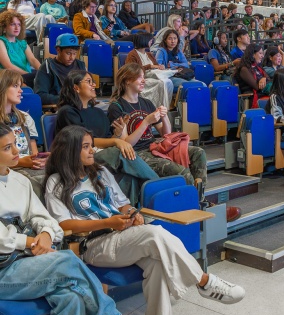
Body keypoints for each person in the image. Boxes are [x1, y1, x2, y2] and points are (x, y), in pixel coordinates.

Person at [44, 125, 245, 315]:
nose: (92, 151)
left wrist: (132, 213)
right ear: (69, 151)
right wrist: (108, 222)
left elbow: (123, 204)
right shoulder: (56, 183)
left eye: (91, 145)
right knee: (155, 234)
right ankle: (203, 281)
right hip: (94, 244)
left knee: (157, 263)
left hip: (121, 235)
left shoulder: (100, 172)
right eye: (86, 147)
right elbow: (64, 224)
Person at [0, 125, 164, 315]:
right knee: (67, 261)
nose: (16, 150)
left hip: (29, 261)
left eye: (14, 143)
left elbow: (49, 222)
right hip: (4, 270)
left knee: (71, 296)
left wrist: (44, 233)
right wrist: (30, 241)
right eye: (7, 147)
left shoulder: (19, 181)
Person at [56, 69, 158, 205]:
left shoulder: (97, 111)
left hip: (100, 152)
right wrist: (116, 141)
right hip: (81, 154)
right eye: (89, 82)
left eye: (93, 82)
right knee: (120, 153)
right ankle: (159, 187)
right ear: (76, 87)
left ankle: (131, 212)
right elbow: (85, 142)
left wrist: (118, 132)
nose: (94, 85)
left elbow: (107, 137)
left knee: (130, 176)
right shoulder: (68, 112)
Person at [107, 63, 207, 188]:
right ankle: (191, 201)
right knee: (182, 173)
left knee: (198, 153)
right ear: (127, 81)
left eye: (143, 77)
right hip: (136, 153)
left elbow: (166, 134)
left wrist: (164, 116)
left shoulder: (146, 103)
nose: (143, 81)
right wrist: (146, 122)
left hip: (154, 147)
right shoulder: (117, 107)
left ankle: (199, 197)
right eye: (139, 77)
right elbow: (127, 144)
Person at [0, 69, 48, 197]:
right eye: (15, 86)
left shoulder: (25, 118)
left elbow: (33, 153)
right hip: (6, 170)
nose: (21, 90)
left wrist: (39, 160)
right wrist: (21, 162)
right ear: (2, 88)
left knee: (57, 177)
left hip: (26, 166)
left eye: (20, 86)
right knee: (34, 186)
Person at [34, 33, 85, 105]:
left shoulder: (81, 65)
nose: (72, 57)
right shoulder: (47, 66)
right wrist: (66, 100)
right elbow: (40, 95)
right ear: (58, 50)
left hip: (80, 106)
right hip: (59, 109)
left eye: (74, 53)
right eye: (68, 53)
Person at [125, 33, 173, 108]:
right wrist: (150, 66)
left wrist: (160, 67)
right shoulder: (132, 54)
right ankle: (155, 108)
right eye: (150, 40)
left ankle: (164, 108)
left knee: (168, 82)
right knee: (162, 83)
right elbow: (132, 70)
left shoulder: (149, 54)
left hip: (153, 76)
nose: (151, 42)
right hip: (142, 78)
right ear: (144, 41)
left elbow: (156, 65)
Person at [0, 11, 41, 88]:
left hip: (26, 76)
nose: (17, 28)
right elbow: (8, 66)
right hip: (10, 77)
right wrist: (29, 75)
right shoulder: (1, 42)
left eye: (19, 25)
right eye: (12, 24)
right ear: (4, 27)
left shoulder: (22, 43)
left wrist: (43, 71)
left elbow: (33, 60)